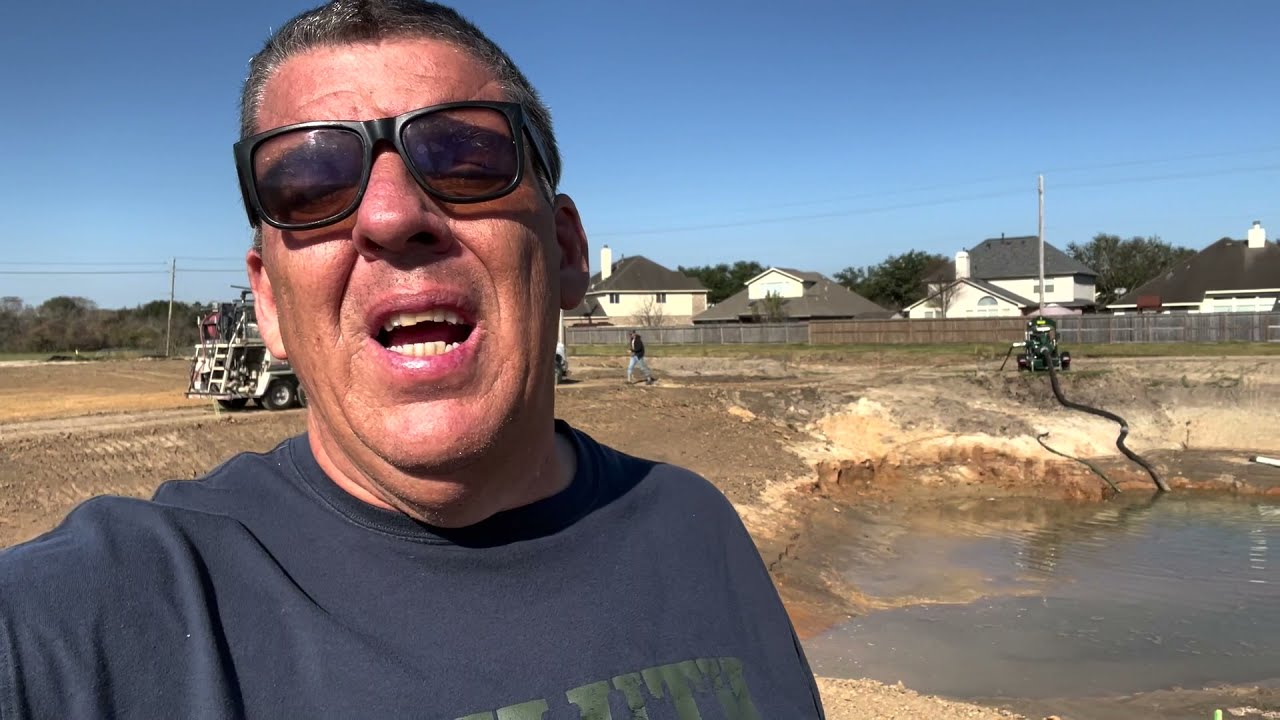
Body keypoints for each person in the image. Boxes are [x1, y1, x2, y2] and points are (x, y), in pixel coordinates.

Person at [0, 2, 826, 718]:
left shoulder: (696, 526)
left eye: (465, 159)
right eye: (310, 184)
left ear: (569, 250)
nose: (391, 216)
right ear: (270, 302)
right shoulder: (86, 616)